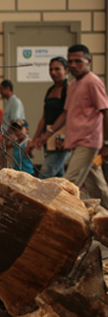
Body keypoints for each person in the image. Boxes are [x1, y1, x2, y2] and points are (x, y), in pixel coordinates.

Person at [36, 43, 108, 208]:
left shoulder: (93, 82)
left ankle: (57, 222)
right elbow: (65, 114)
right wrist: (45, 137)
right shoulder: (74, 85)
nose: (74, 65)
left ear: (88, 61)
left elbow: (106, 112)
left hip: (88, 143)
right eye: (70, 61)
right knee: (97, 188)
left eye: (78, 61)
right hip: (76, 143)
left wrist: (106, 144)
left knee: (69, 184)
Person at [27, 57, 70, 179]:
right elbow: (44, 118)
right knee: (58, 175)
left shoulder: (69, 89)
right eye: (51, 69)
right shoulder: (50, 90)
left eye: (57, 69)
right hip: (49, 139)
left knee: (45, 174)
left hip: (61, 137)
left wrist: (47, 135)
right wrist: (35, 139)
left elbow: (67, 115)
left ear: (66, 70)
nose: (53, 72)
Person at [0, 79, 25, 169]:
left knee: (9, 169)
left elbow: (15, 122)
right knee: (1, 167)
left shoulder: (15, 102)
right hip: (6, 140)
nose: (0, 92)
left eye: (1, 89)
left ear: (8, 88)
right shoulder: (9, 102)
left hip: (11, 141)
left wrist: (6, 138)